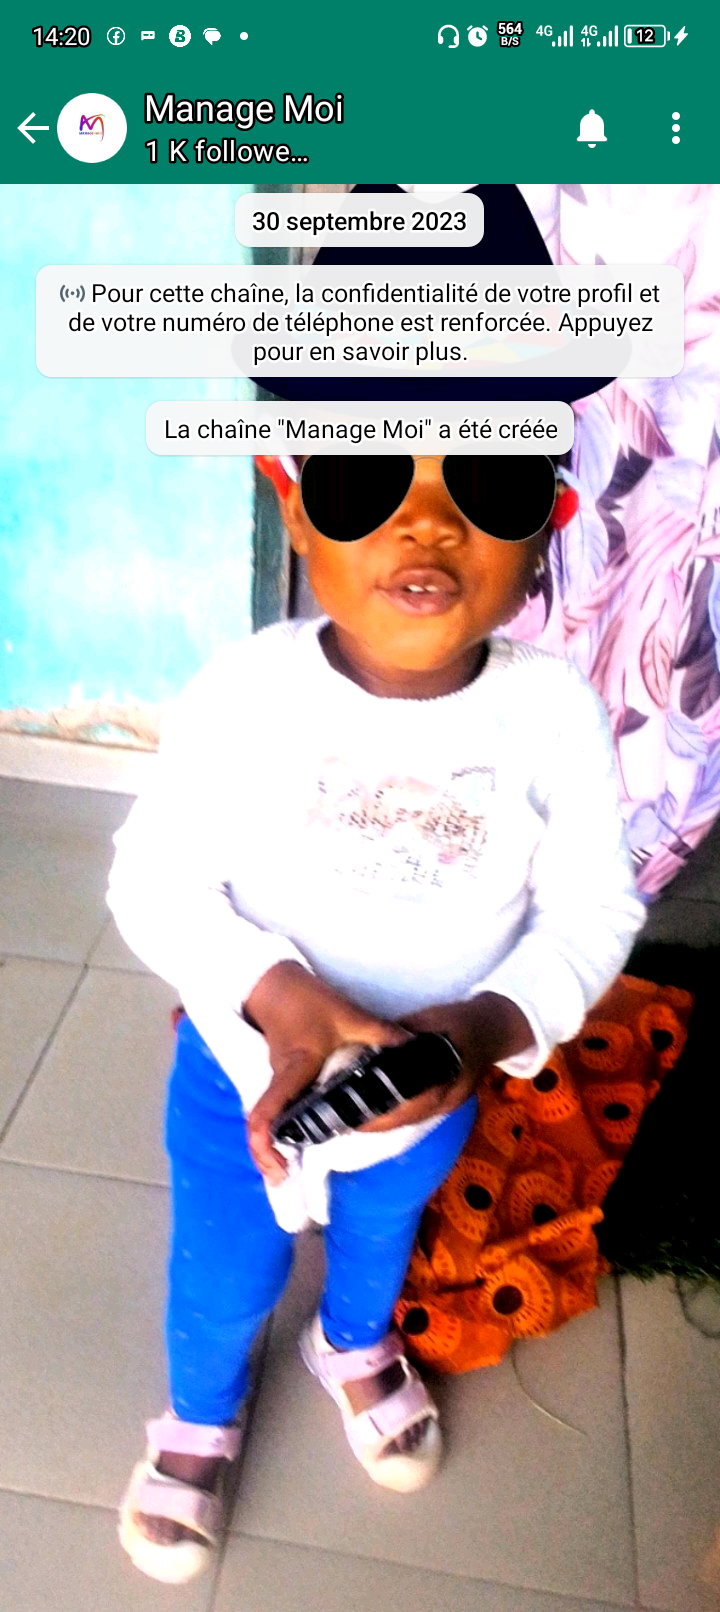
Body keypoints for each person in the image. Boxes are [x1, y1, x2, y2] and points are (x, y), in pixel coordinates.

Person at [107, 451, 646, 1584]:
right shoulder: (246, 693)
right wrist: (276, 996)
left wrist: (484, 1031)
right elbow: (153, 880)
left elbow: (594, 908)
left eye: (485, 485)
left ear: (549, 525)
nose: (426, 524)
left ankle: (350, 1341)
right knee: (223, 1270)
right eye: (367, 478)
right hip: (239, 1079)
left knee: (383, 1230)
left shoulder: (555, 715)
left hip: (431, 1087)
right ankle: (200, 1408)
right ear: (297, 513)